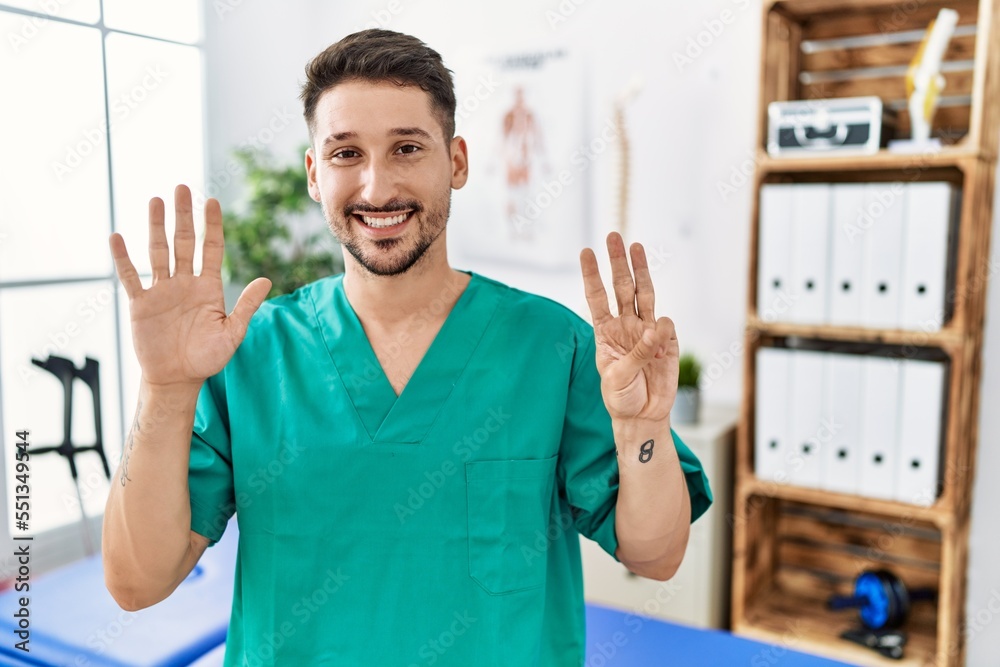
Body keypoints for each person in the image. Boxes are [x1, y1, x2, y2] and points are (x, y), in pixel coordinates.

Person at [102, 29, 712, 666]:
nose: (376, 187)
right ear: (314, 174)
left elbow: (656, 554)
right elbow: (136, 582)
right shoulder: (253, 355)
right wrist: (166, 389)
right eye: (345, 154)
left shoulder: (551, 347)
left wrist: (646, 426)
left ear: (457, 162)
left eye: (406, 147)